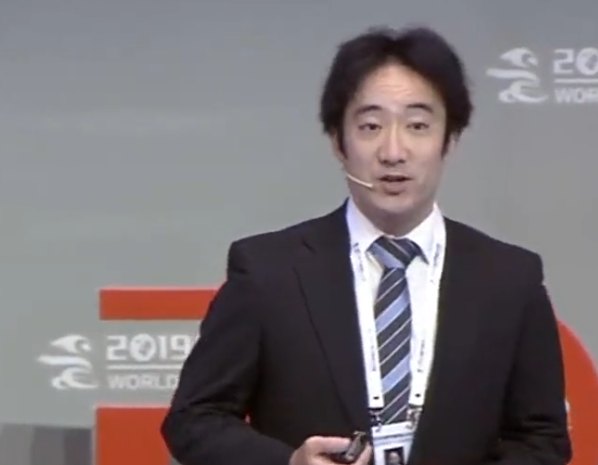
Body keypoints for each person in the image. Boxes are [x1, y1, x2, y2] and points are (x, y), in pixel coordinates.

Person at [160, 25, 572, 465]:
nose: (393, 151)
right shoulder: (269, 272)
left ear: (449, 140)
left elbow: (542, 439)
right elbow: (194, 418)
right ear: (338, 142)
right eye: (371, 126)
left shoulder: (510, 279)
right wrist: (288, 463)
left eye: (417, 126)